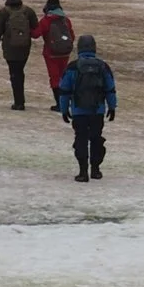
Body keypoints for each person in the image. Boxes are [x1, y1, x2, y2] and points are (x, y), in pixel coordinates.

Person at [57, 32, 117, 181]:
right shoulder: (103, 66)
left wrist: (64, 110)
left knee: (81, 139)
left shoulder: (73, 67)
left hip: (79, 112)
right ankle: (96, 170)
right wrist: (112, 107)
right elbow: (110, 88)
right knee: (96, 139)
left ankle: (83, 172)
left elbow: (64, 90)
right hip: (97, 111)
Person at [0, 0, 38, 110]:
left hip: (10, 47)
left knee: (14, 72)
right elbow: (35, 28)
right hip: (24, 47)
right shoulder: (28, 11)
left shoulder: (4, 12)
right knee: (20, 71)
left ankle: (19, 101)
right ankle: (20, 100)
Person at [34, 0, 75, 98]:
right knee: (63, 76)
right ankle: (66, 100)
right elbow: (72, 36)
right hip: (65, 53)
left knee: (54, 77)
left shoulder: (46, 20)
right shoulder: (66, 20)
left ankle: (59, 103)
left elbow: (35, 34)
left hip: (51, 54)